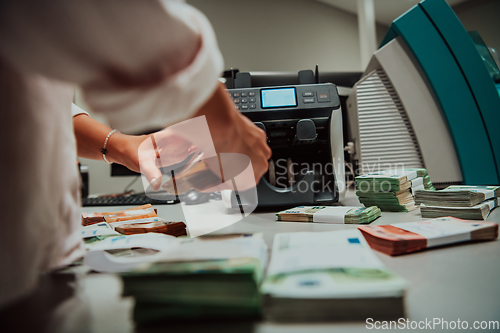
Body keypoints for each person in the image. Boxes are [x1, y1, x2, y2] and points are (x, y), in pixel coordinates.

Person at [0, 0, 271, 308]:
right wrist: (225, 124)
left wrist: (123, 146)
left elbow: (40, 105)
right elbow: (111, 15)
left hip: (41, 256)